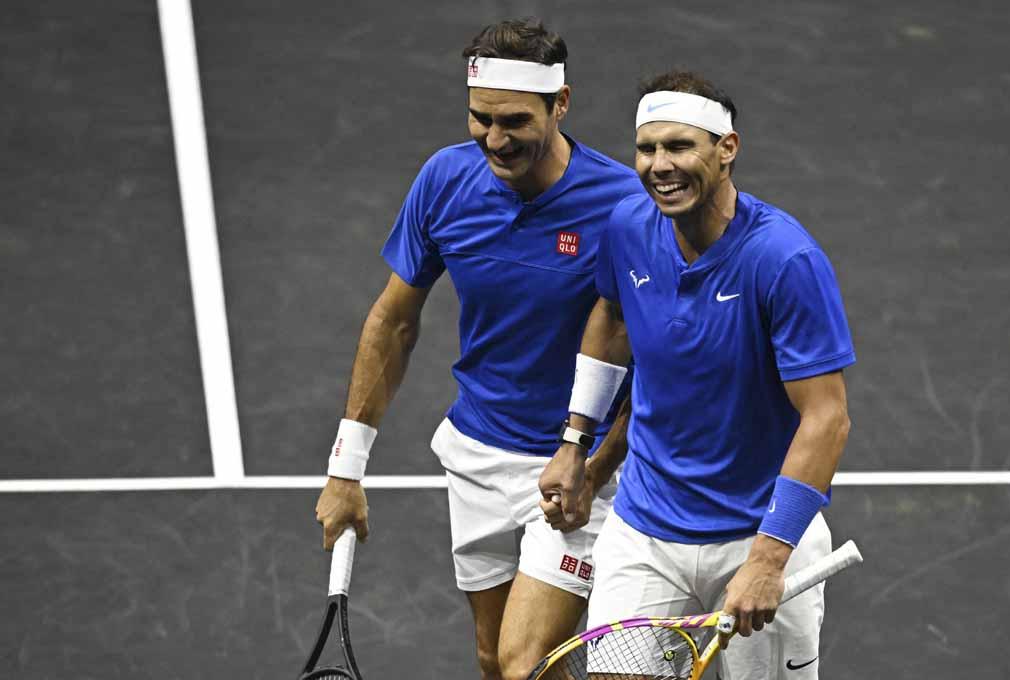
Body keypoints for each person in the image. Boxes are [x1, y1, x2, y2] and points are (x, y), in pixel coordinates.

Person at [313, 19, 642, 680]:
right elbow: (393, 323)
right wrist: (347, 467)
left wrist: (596, 463)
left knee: (525, 663)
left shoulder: (621, 207)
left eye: (515, 121)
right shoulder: (444, 182)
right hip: (477, 459)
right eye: (480, 119)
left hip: (576, 466)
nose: (495, 139)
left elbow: (658, 362)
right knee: (496, 662)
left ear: (562, 104)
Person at [538, 70, 855, 679]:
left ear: (726, 149)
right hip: (645, 531)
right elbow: (610, 318)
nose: (661, 165)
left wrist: (768, 557)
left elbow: (827, 417)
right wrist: (578, 444)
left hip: (757, 533)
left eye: (680, 146)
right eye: (648, 148)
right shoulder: (629, 227)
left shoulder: (784, 260)